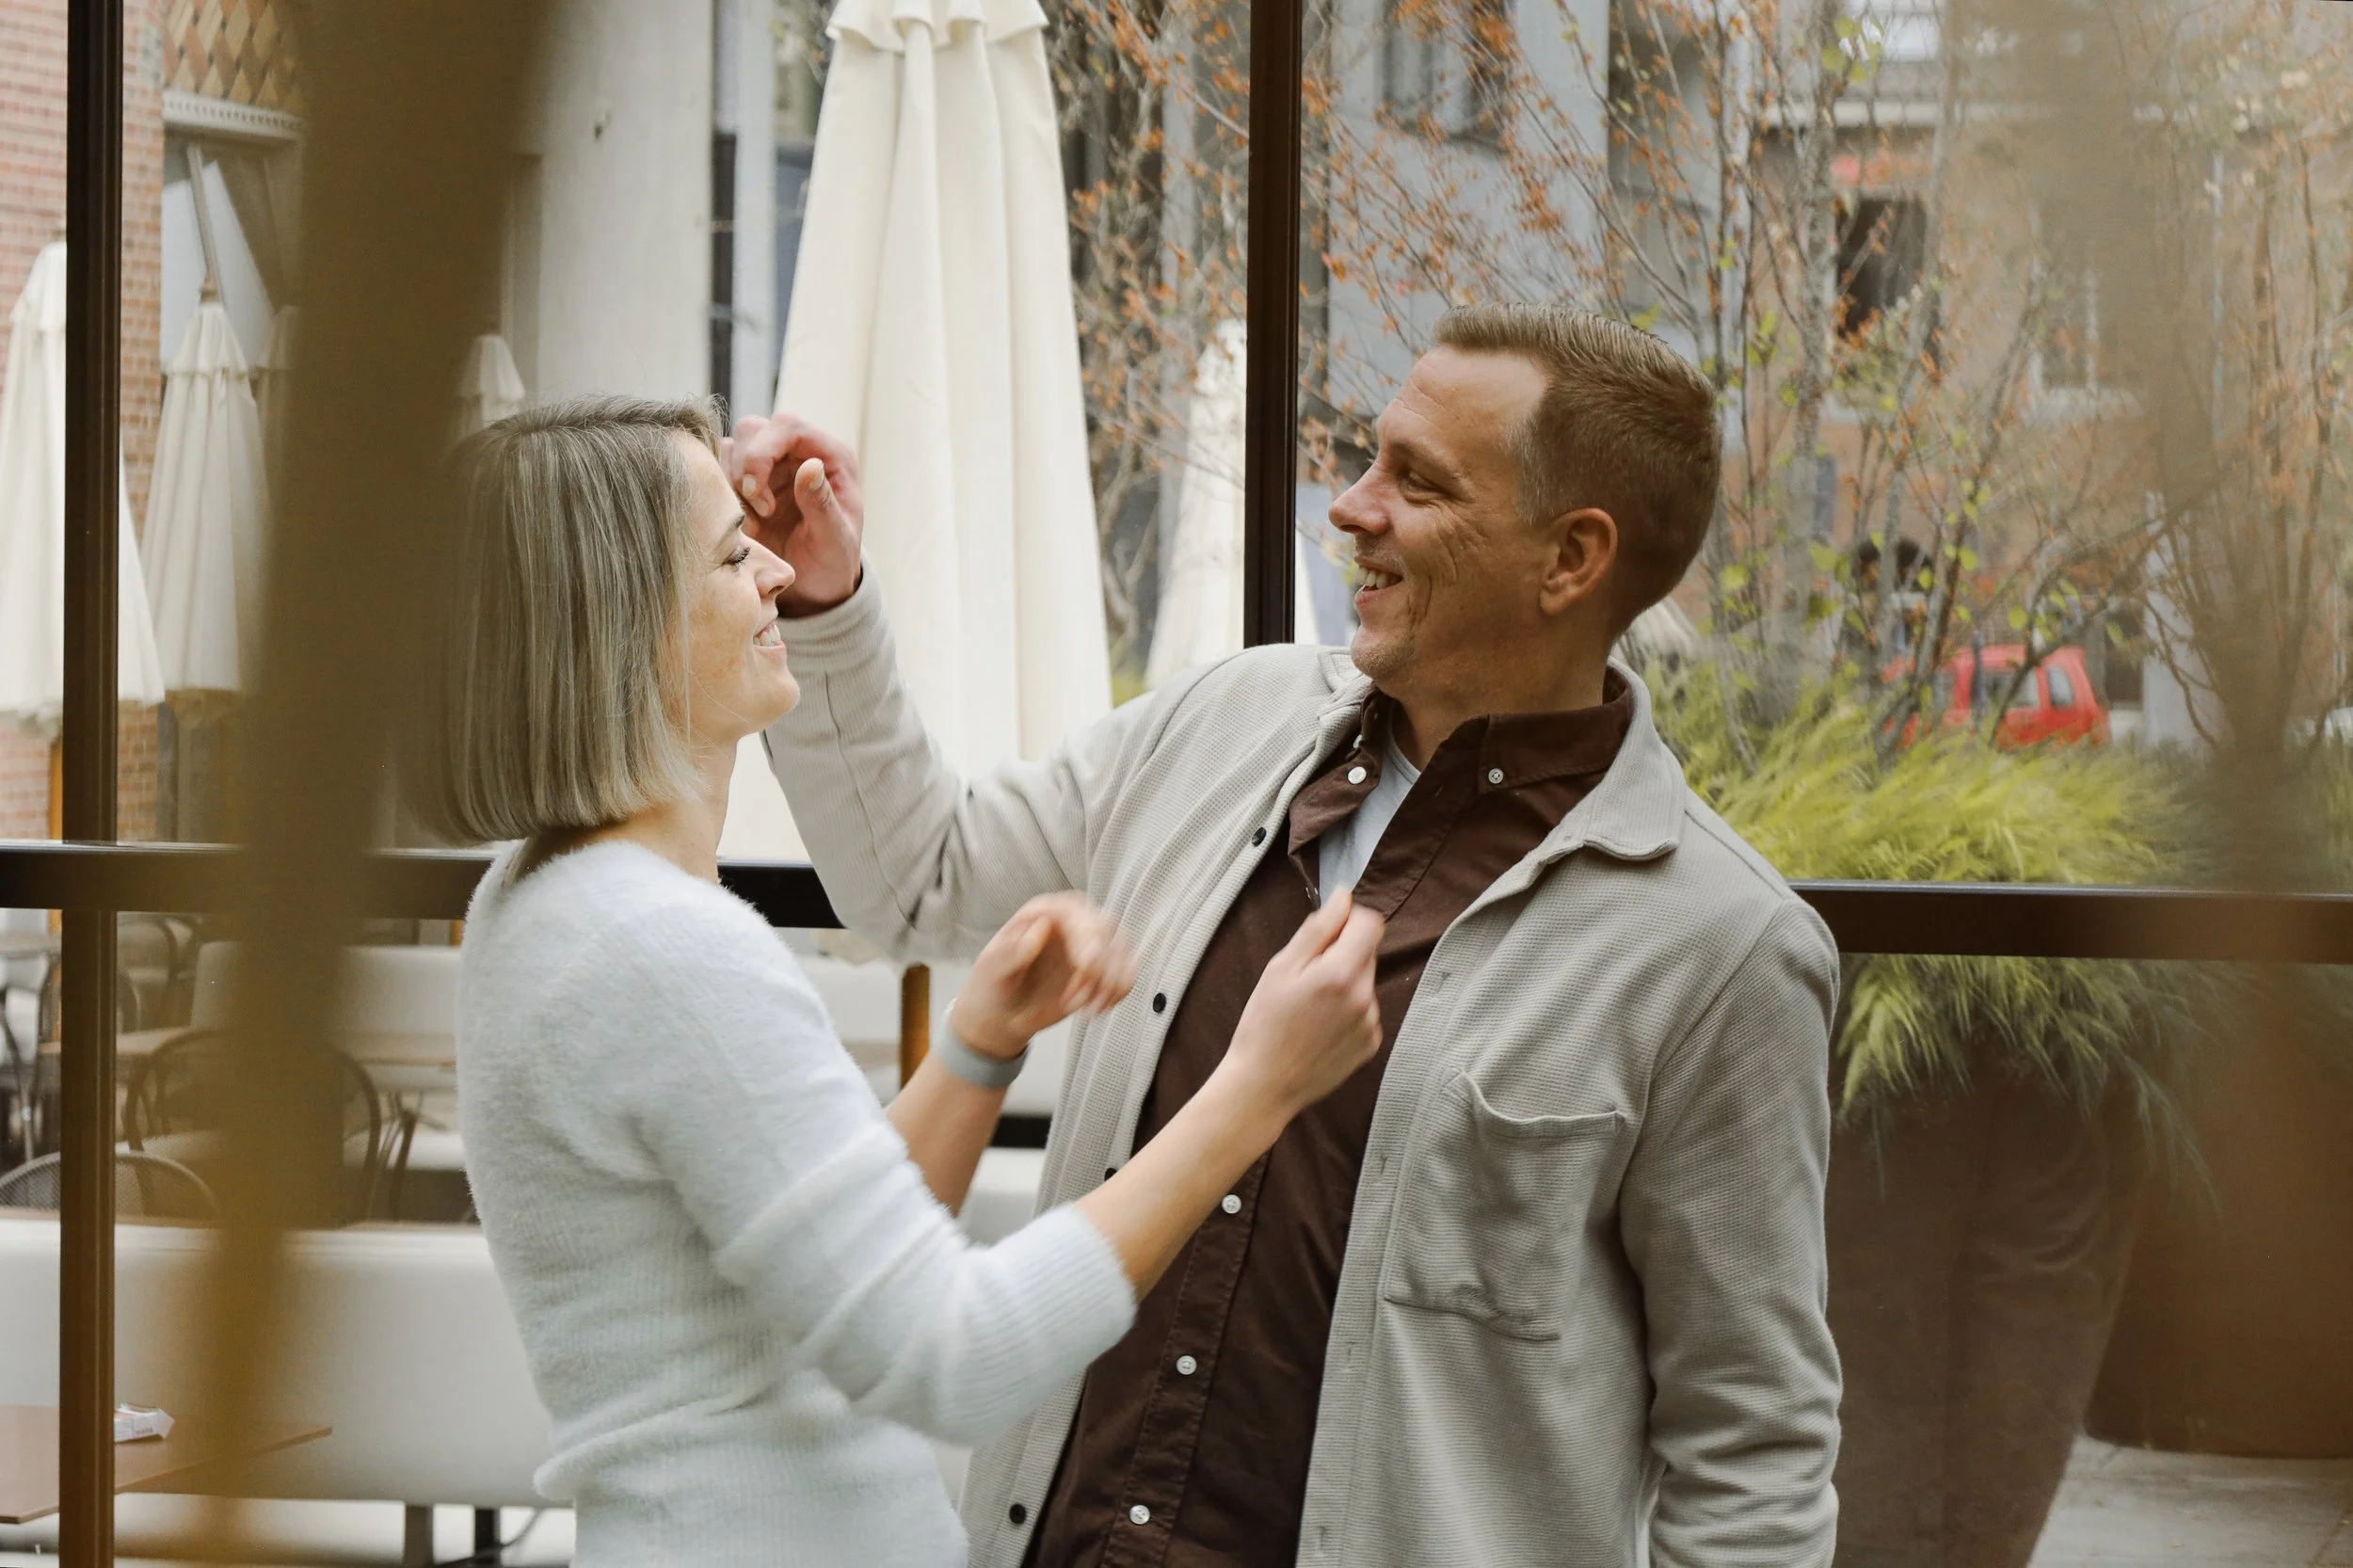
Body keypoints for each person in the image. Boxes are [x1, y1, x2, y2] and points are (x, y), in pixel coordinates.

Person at [734, 303, 1844, 1568]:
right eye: (1370, 458)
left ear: (1570, 558)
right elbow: (920, 877)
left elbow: (1752, 1448)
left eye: (1418, 481)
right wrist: (823, 599)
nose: (1351, 507)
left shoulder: (1724, 949)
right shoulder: (1219, 721)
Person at [412, 395, 1386, 1568]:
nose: (777, 572)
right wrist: (1257, 1090)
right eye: (731, 554)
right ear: (617, 626)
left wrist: (977, 1046)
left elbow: (825, 1283)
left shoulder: (536, 901)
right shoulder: (665, 948)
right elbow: (952, 1358)